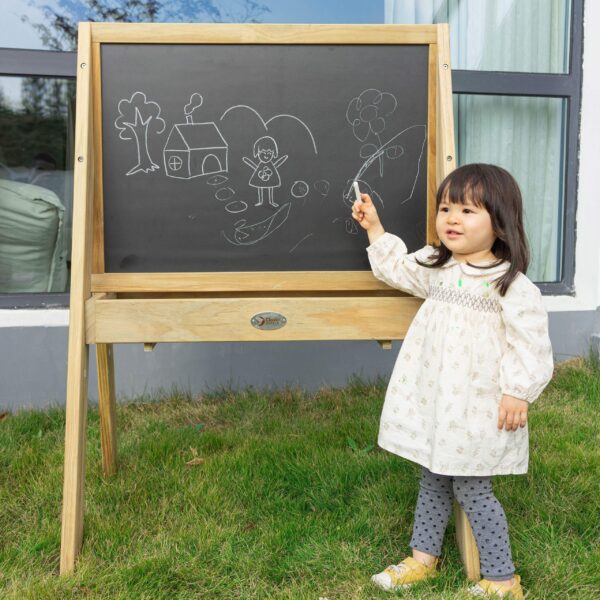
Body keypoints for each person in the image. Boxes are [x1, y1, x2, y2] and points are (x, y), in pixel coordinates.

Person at [351, 164, 553, 598]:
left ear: (499, 222)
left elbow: (531, 344)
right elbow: (397, 269)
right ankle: (423, 559)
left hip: (477, 405)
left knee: (473, 488)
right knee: (433, 476)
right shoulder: (437, 266)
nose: (452, 219)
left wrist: (518, 391)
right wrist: (375, 228)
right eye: (446, 208)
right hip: (438, 399)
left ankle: (502, 578)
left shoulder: (510, 286)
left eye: (467, 210)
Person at [243, 135, 288, 208]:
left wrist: (281, 160)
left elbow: (276, 165)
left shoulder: (270, 164)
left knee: (271, 187)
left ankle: (271, 201)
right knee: (260, 186)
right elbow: (255, 167)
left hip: (270, 176)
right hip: (260, 175)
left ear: (273, 153)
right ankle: (260, 201)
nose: (266, 155)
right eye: (263, 152)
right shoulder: (261, 165)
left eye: (269, 153)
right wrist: (252, 164)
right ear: (257, 153)